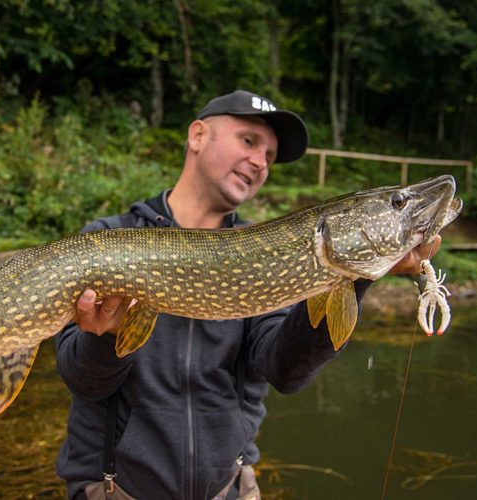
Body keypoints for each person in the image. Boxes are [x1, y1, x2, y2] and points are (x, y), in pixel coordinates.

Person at [54, 90, 440, 499]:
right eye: (249, 141)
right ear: (198, 135)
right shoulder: (108, 239)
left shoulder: (267, 252)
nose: (260, 162)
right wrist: (107, 337)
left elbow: (285, 371)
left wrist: (357, 276)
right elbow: (83, 382)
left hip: (229, 490)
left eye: (270, 157)